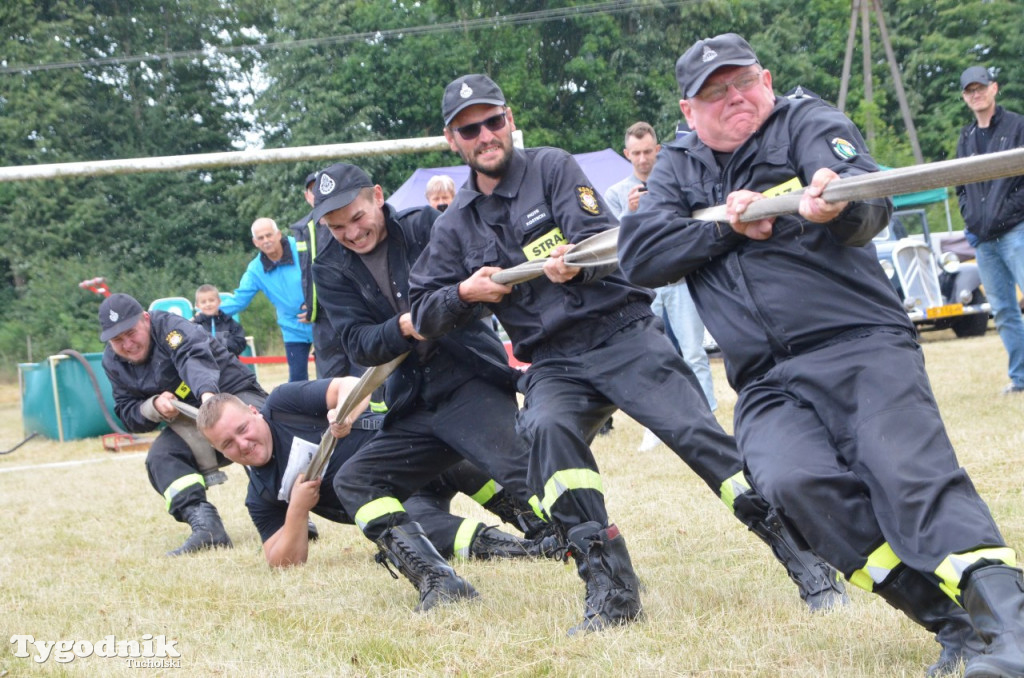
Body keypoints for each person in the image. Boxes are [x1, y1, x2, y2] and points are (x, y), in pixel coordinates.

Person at [617, 33, 1024, 677]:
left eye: (743, 82)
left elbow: (869, 197)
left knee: (909, 478)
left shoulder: (806, 121)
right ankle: (957, 628)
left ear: (767, 79)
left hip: (860, 343)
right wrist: (725, 224)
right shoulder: (678, 164)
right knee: (793, 484)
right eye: (714, 93)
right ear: (689, 112)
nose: (735, 99)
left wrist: (835, 203)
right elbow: (641, 256)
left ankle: (1013, 633)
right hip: (765, 379)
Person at [408, 73, 847, 636]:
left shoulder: (553, 168)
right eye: (471, 129)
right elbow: (421, 309)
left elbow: (611, 245)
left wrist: (579, 260)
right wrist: (464, 293)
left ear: (510, 119)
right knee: (547, 438)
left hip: (620, 333)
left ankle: (808, 563)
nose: (486, 134)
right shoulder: (454, 221)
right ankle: (611, 591)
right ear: (454, 140)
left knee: (705, 444)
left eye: (494, 121)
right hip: (552, 363)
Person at [308, 162, 550, 613]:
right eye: (336, 227)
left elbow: (477, 295)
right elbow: (360, 345)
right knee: (355, 481)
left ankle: (597, 557)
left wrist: (436, 310)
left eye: (357, 218)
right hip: (410, 400)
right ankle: (439, 580)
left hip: (467, 379)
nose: (351, 233)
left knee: (526, 470)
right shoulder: (328, 268)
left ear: (377, 196)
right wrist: (412, 322)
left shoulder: (426, 224)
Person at [195, 378, 542, 568]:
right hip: (395, 506)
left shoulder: (284, 404)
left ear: (255, 413)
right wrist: (298, 510)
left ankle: (544, 525)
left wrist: (343, 411)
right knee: (424, 532)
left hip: (415, 458)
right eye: (228, 444)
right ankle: (527, 553)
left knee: (463, 459)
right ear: (221, 453)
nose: (243, 443)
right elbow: (281, 562)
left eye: (243, 428)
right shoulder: (263, 493)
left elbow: (348, 385)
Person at [98, 293, 267, 556]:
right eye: (117, 340)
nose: (128, 344)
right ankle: (208, 530)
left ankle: (285, 515)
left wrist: (209, 399)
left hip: (231, 393)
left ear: (145, 319)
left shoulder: (172, 329)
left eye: (131, 333)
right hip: (189, 420)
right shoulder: (112, 362)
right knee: (162, 457)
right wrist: (152, 407)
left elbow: (193, 359)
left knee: (251, 430)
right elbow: (126, 410)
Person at [605, 121, 717, 454]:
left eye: (648, 151)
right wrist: (631, 212)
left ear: (658, 149)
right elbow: (613, 242)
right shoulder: (614, 194)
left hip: (681, 278)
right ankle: (655, 425)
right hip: (642, 287)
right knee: (649, 357)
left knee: (695, 352)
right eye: (636, 153)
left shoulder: (676, 182)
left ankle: (708, 415)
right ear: (627, 154)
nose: (642, 159)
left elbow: (690, 226)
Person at [955, 65, 1024, 395]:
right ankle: (1021, 378)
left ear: (994, 88)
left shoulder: (1017, 127)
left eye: (980, 87)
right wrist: (973, 221)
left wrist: (1005, 214)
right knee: (1003, 311)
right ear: (964, 97)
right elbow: (960, 187)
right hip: (983, 240)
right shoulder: (965, 138)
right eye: (969, 90)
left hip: (1016, 231)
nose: (976, 94)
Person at [220, 218, 314, 382]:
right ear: (255, 242)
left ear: (278, 234)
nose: (266, 241)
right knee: (297, 381)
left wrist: (315, 306)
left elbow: (326, 276)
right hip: (292, 329)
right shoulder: (255, 269)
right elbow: (239, 300)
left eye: (269, 235)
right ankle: (305, 408)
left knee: (331, 373)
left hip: (321, 320)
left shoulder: (302, 247)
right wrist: (204, 314)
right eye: (261, 238)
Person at [292, 172, 361, 379]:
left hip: (355, 311)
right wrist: (310, 305)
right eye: (313, 190)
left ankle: (372, 413)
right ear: (307, 196)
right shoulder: (303, 229)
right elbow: (305, 271)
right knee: (330, 380)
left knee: (364, 373)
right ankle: (335, 413)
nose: (318, 194)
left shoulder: (353, 221)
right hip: (323, 319)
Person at [192, 284, 248, 357]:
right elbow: (188, 347)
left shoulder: (231, 323)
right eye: (203, 302)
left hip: (228, 365)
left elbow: (240, 344)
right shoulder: (193, 326)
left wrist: (218, 345)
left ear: (219, 301)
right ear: (197, 305)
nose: (208, 304)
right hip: (203, 366)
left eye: (211, 300)